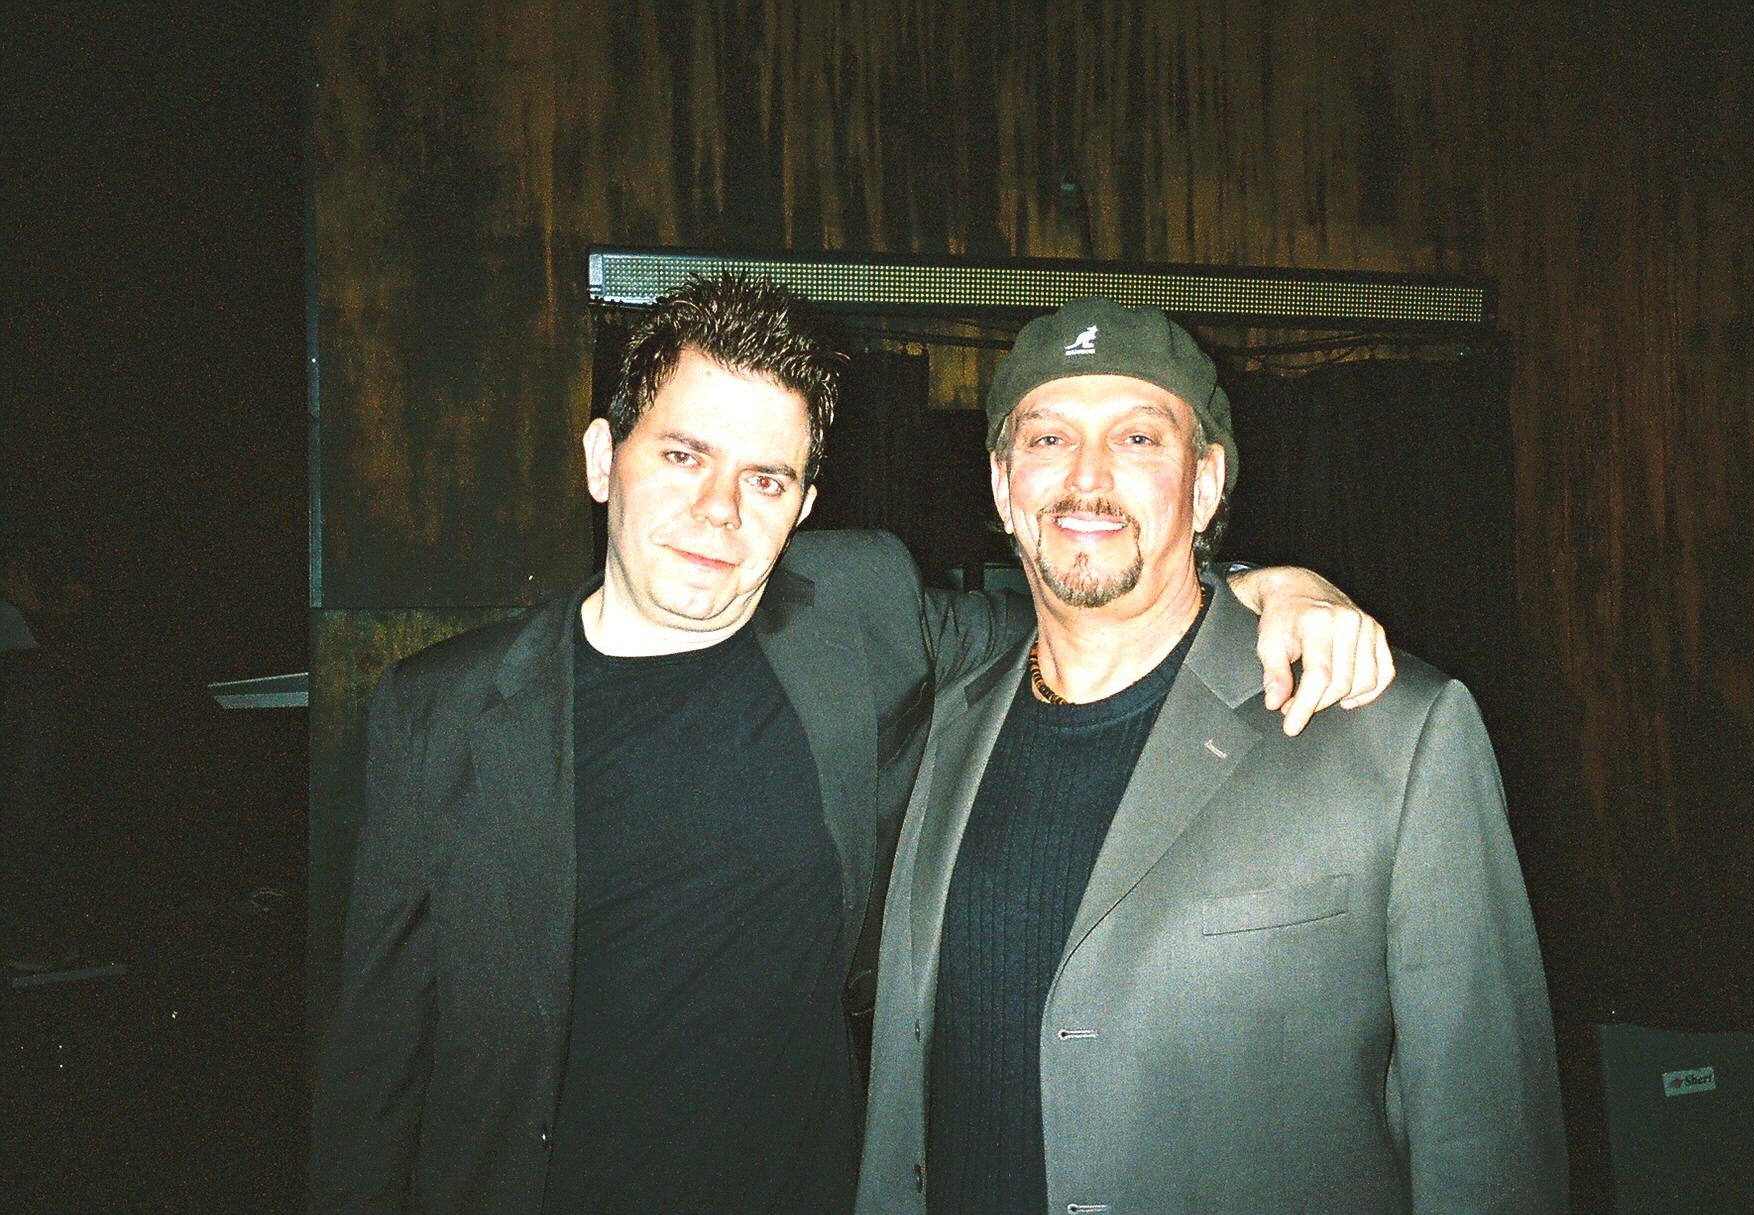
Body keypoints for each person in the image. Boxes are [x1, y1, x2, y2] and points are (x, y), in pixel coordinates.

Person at [309, 278, 1394, 1215]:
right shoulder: (440, 713)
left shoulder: (861, 613)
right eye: (682, 454)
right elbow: (374, 1071)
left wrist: (1267, 584)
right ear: (604, 458)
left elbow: (1102, 604)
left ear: (805, 504)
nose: (717, 509)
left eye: (766, 478)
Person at [857, 298, 1568, 1214]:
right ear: (1002, 485)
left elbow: (1490, 1150)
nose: (1087, 478)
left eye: (1141, 439)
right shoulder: (951, 726)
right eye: (1048, 439)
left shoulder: (1397, 734)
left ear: (1205, 483)